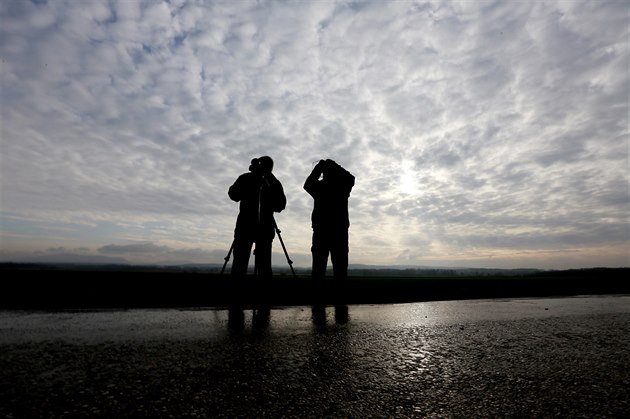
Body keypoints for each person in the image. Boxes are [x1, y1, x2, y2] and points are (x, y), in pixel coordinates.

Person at [228, 156, 286, 280]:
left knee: (264, 267)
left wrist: (268, 184)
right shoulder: (246, 178)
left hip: (263, 230)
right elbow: (233, 194)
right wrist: (249, 183)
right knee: (239, 263)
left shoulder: (273, 182)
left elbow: (280, 205)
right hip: (245, 228)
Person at [304, 159, 355, 282]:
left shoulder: (320, 187)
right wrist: (334, 165)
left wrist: (319, 168)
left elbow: (308, 184)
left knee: (318, 267)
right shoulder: (343, 187)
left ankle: (317, 296)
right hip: (339, 231)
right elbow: (350, 178)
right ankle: (340, 296)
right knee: (340, 267)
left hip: (321, 230)